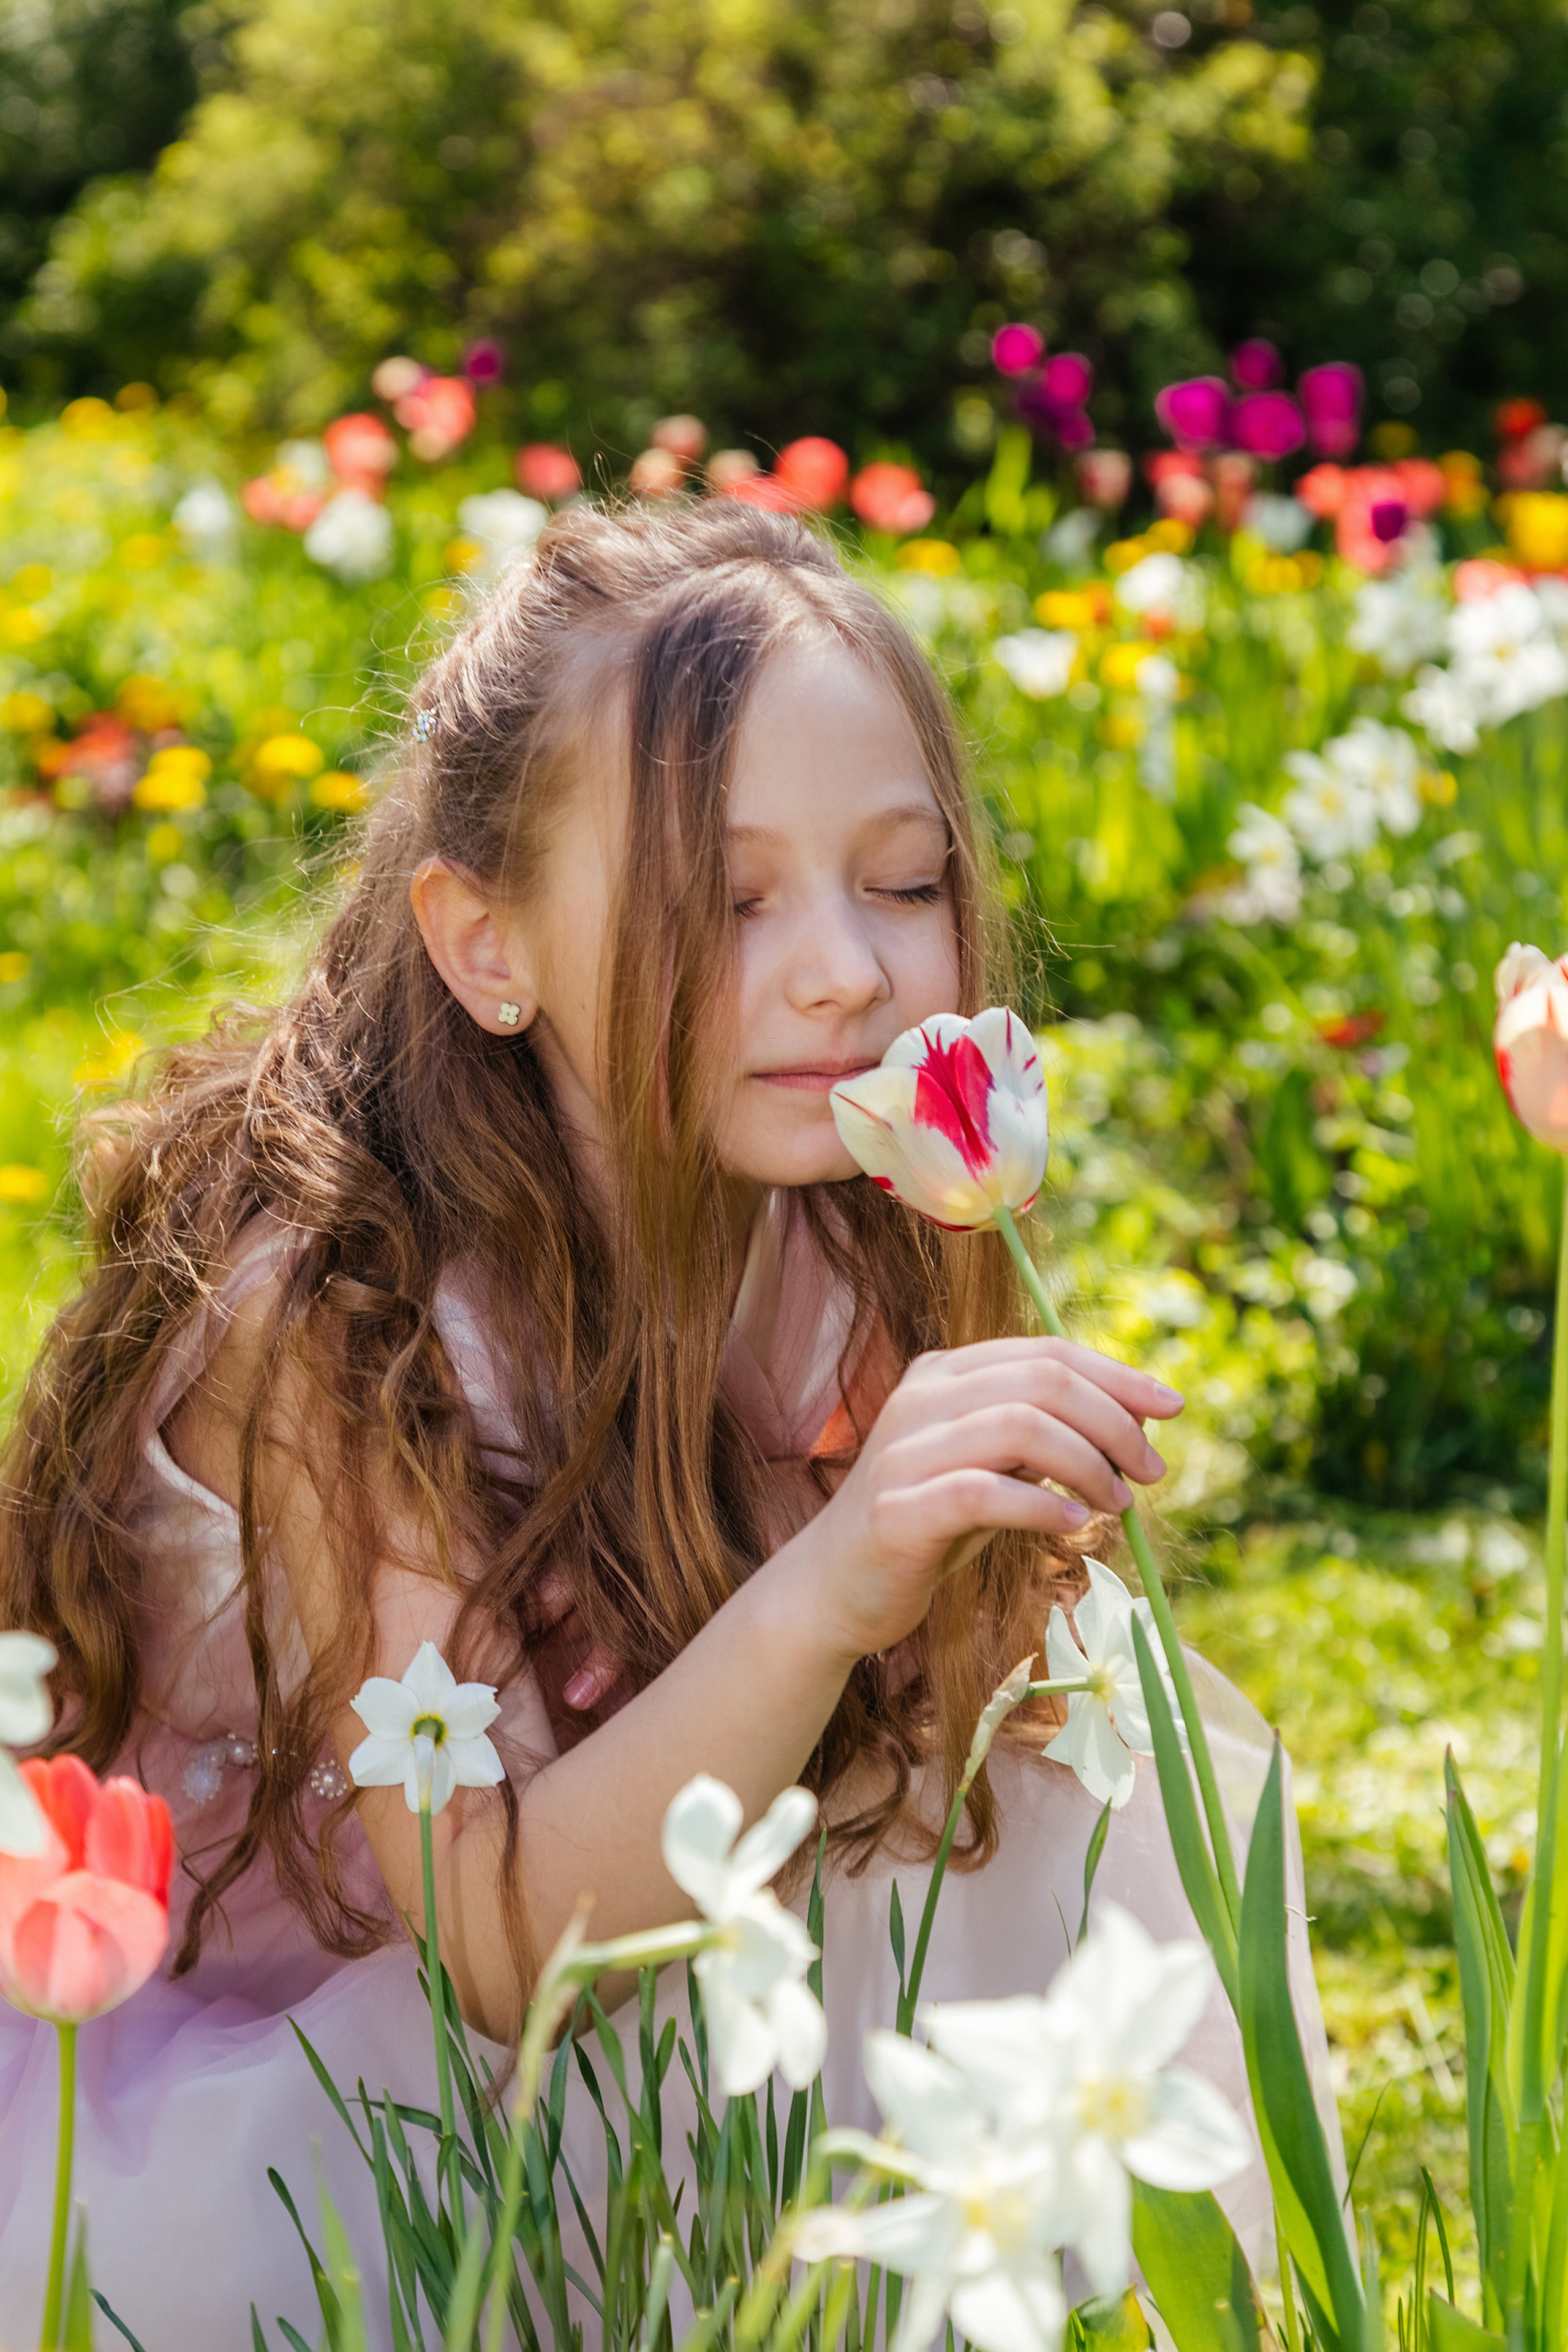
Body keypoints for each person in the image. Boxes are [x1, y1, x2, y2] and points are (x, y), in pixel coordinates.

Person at [0, 500, 1335, 2345]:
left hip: (677, 1916)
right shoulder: (341, 1315)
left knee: (1049, 1767)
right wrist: (835, 1579)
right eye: (730, 900)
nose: (848, 972)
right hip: (352, 2001)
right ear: (488, 944)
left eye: (907, 881)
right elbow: (487, 1949)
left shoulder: (842, 1204)